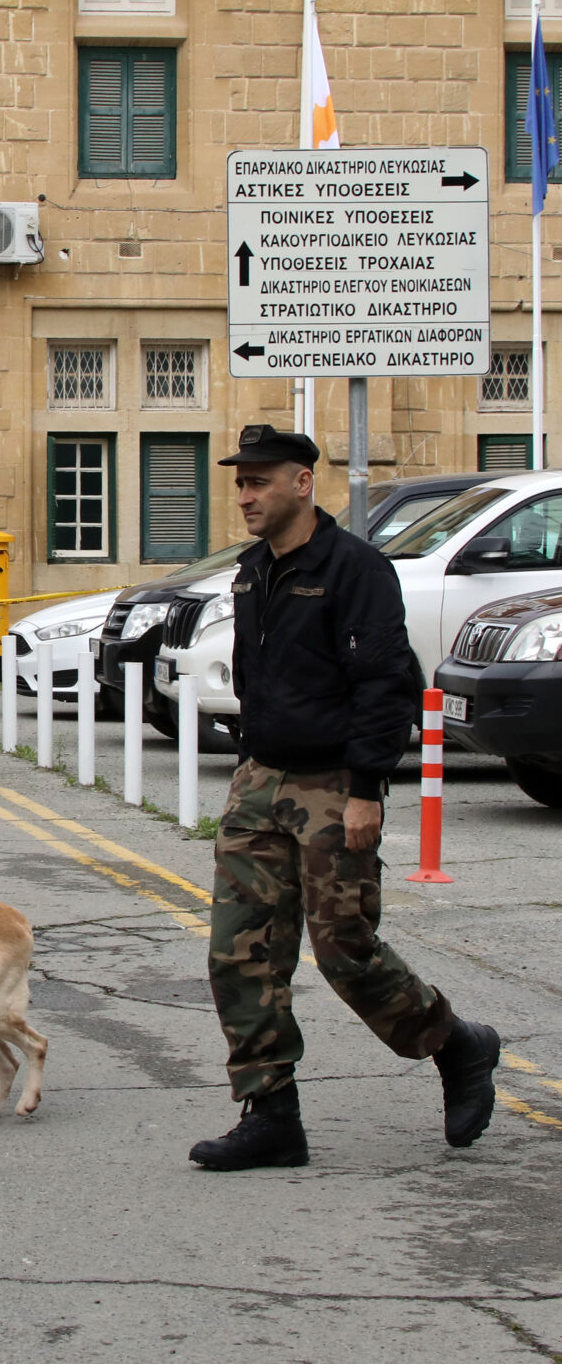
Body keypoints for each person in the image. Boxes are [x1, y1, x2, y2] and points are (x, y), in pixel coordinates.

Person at [190, 425, 500, 1170]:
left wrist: (368, 790)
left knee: (346, 952)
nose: (244, 495)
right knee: (240, 950)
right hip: (260, 779)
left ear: (303, 483)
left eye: (259, 480)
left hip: (335, 786)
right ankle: (270, 1113)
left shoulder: (355, 570)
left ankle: (457, 1044)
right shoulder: (252, 570)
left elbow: (384, 686)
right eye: (239, 481)